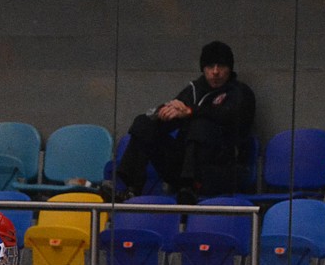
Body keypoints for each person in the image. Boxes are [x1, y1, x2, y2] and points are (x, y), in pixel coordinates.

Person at [110, 40, 257, 205]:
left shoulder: (240, 92)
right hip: (182, 167)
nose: (215, 72)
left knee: (200, 126)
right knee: (144, 123)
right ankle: (129, 187)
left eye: (221, 66)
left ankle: (190, 188)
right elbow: (175, 112)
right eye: (210, 66)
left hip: (220, 168)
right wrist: (163, 114)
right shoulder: (194, 90)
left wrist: (191, 111)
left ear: (229, 68)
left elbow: (228, 115)